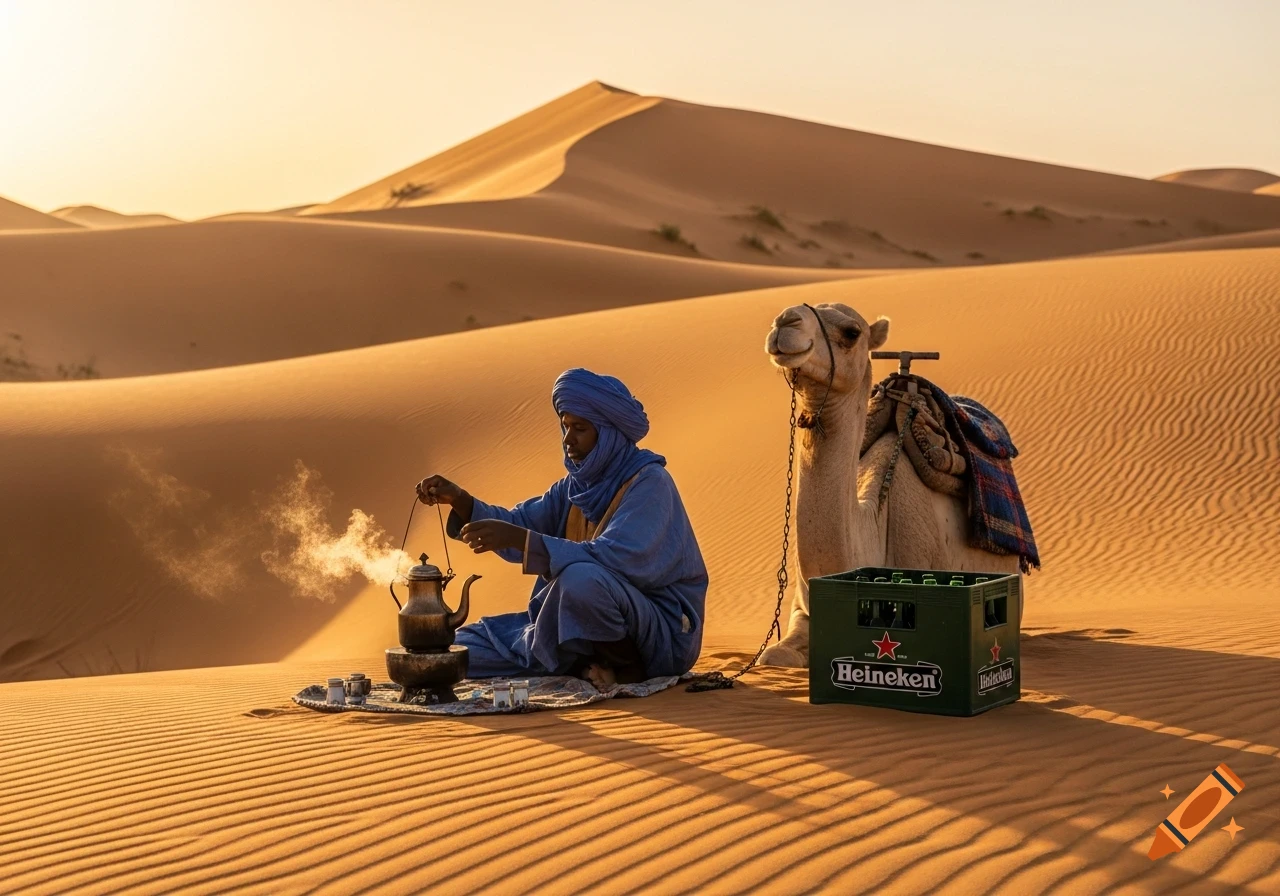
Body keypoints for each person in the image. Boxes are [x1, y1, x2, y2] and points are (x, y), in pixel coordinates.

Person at [416, 368, 707, 689]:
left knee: (580, 579)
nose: (568, 439)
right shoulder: (576, 487)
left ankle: (626, 671)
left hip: (660, 636)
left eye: (580, 428)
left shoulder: (650, 483)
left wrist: (526, 542)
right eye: (565, 426)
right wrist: (460, 500)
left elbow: (618, 559)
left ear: (608, 433)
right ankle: (587, 663)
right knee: (462, 647)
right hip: (581, 620)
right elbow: (520, 524)